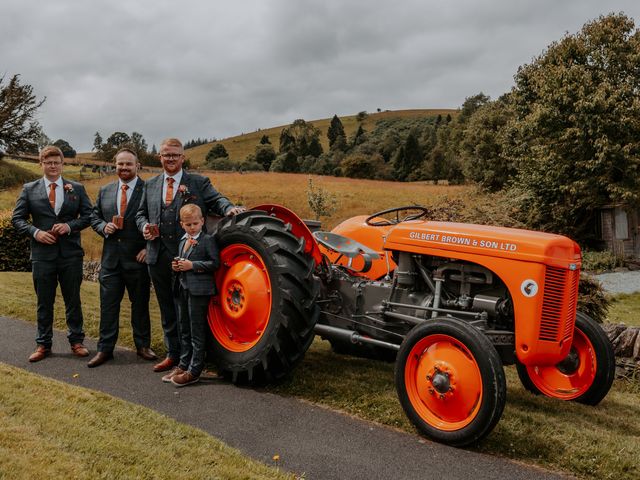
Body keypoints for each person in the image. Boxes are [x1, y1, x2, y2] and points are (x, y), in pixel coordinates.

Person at [135, 137, 245, 373]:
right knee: (166, 308)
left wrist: (229, 208)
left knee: (185, 311)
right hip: (157, 256)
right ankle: (172, 354)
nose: (171, 158)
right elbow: (141, 213)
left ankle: (190, 359)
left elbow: (217, 200)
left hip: (188, 257)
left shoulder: (197, 182)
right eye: (167, 154)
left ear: (183, 158)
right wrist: (143, 226)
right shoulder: (150, 184)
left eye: (175, 155)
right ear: (160, 157)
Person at [12, 145, 93, 362]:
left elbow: (89, 216)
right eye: (48, 162)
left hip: (70, 255)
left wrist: (69, 226)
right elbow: (17, 219)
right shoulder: (29, 189)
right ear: (42, 164)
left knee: (73, 300)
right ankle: (43, 344)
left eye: (56, 162)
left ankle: (77, 341)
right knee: (44, 301)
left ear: (62, 163)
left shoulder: (76, 188)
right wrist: (35, 232)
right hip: (42, 256)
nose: (53, 166)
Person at [87, 148, 157, 367]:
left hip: (137, 259)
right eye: (120, 164)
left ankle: (143, 346)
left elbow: (158, 221)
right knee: (108, 306)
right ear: (114, 165)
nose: (124, 167)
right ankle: (105, 349)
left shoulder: (150, 190)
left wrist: (149, 248)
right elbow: (94, 216)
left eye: (129, 164)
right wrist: (102, 226)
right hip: (110, 261)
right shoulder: (105, 190)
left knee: (140, 305)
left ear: (138, 166)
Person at [162, 204, 219, 386]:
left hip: (199, 291)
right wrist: (176, 267)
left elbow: (214, 263)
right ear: (182, 224)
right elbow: (182, 262)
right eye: (188, 225)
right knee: (184, 329)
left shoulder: (207, 240)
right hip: (182, 289)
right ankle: (183, 365)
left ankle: (194, 370)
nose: (192, 227)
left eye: (195, 223)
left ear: (202, 221)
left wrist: (192, 266)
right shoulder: (182, 240)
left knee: (196, 331)